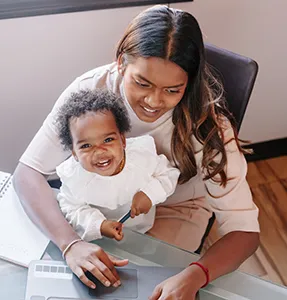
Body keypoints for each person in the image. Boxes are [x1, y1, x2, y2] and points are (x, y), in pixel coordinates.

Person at [13, 5, 260, 299]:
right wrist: (71, 245)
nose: (154, 102)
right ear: (121, 63)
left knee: (136, 291)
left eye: (173, 90)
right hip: (94, 200)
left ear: (189, 84)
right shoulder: (92, 90)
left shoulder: (208, 127)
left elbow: (245, 232)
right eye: (142, 83)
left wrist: (198, 273)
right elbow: (28, 172)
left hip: (173, 208)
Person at [55, 88, 180, 243]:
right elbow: (72, 209)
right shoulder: (75, 177)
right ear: (74, 153)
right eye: (86, 146)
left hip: (142, 229)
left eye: (108, 140)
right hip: (96, 236)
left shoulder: (141, 156)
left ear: (122, 140)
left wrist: (149, 194)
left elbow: (169, 174)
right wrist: (99, 225)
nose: (100, 152)